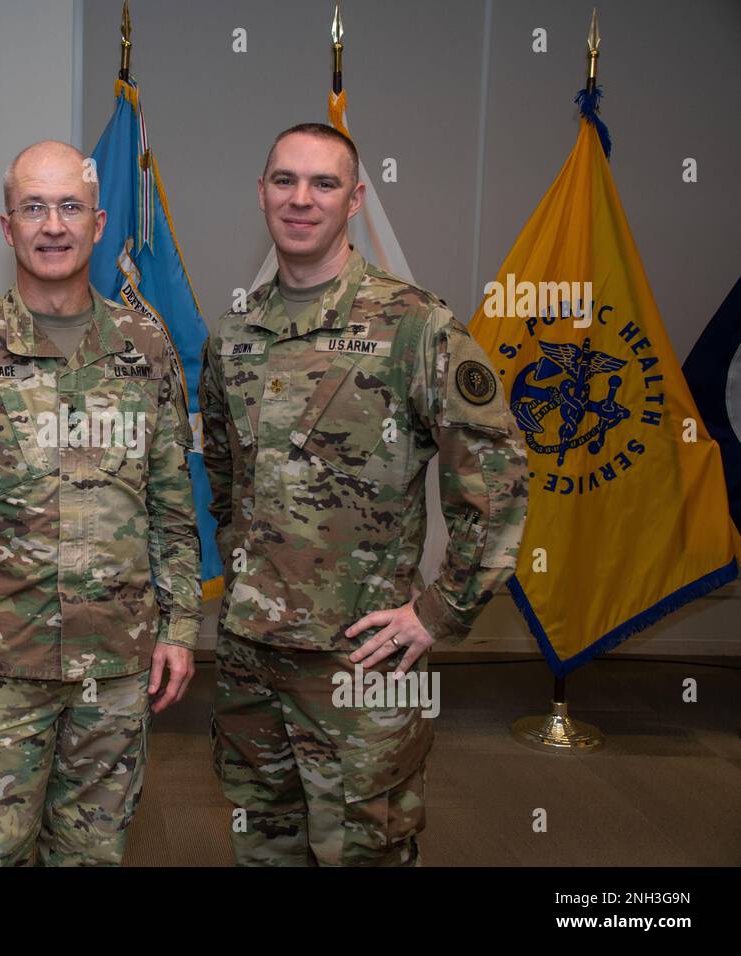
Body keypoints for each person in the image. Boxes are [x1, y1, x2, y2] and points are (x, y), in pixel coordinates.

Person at [200, 123, 529, 866]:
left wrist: (441, 609)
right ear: (261, 193)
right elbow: (224, 475)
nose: (301, 199)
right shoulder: (234, 335)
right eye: (284, 181)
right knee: (263, 842)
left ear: (355, 198)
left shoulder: (415, 326)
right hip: (252, 656)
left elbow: (497, 476)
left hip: (359, 661)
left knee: (363, 850)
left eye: (323, 184)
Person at [0, 140, 202, 866]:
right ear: (6, 225)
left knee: (91, 855)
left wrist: (180, 625)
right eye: (34, 207)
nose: (53, 224)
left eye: (70, 206)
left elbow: (171, 498)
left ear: (99, 223)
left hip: (115, 662)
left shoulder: (146, 346)